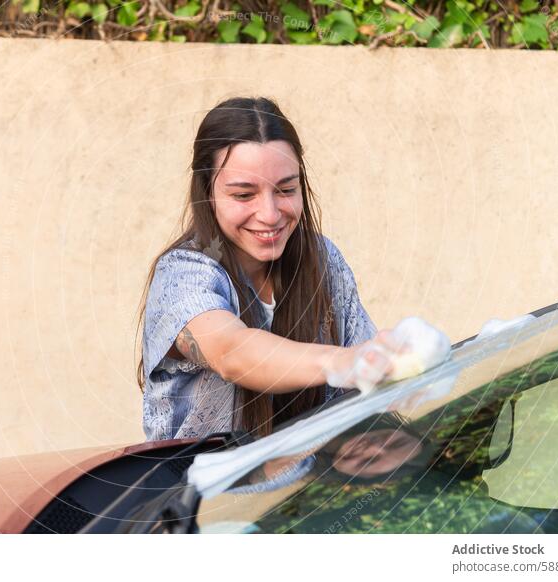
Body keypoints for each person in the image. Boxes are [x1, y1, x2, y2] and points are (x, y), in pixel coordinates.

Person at [134, 96, 405, 441]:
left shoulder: (322, 260)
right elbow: (232, 352)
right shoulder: (183, 273)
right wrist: (341, 363)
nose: (271, 214)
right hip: (199, 493)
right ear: (207, 193)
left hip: (309, 489)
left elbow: (372, 395)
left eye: (286, 189)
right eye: (244, 195)